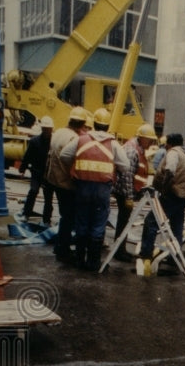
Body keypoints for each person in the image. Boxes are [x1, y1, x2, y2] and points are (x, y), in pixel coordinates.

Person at [59, 107, 129, 271]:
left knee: (82, 221)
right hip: (102, 189)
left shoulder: (81, 139)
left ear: (95, 124)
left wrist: (76, 165)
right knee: (98, 224)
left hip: (82, 186)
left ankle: (79, 260)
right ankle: (94, 262)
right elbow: (125, 166)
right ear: (107, 125)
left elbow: (64, 155)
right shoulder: (113, 143)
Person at [140, 132, 185, 268]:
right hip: (183, 195)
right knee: (177, 226)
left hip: (172, 194)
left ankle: (146, 256)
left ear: (169, 143)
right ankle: (174, 259)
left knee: (151, 222)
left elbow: (170, 170)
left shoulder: (173, 153)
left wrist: (163, 188)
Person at [46, 107, 88, 264]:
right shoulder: (72, 138)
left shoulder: (58, 133)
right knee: (68, 217)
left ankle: (60, 246)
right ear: (82, 124)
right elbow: (72, 162)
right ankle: (62, 249)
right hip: (66, 183)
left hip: (54, 180)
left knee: (65, 216)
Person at [112, 122, 157, 262]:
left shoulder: (138, 148)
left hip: (128, 191)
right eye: (149, 140)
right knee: (123, 222)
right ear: (142, 138)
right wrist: (129, 197)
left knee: (124, 221)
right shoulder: (132, 151)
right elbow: (127, 176)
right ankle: (119, 251)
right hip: (125, 192)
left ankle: (120, 249)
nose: (151, 143)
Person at [18, 116, 55, 224]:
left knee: (48, 198)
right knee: (33, 191)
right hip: (36, 172)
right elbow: (27, 156)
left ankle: (46, 220)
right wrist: (22, 168)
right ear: (42, 129)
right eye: (45, 129)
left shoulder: (54, 142)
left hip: (48, 174)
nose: (47, 131)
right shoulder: (34, 141)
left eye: (49, 129)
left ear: (52, 129)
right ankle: (26, 214)